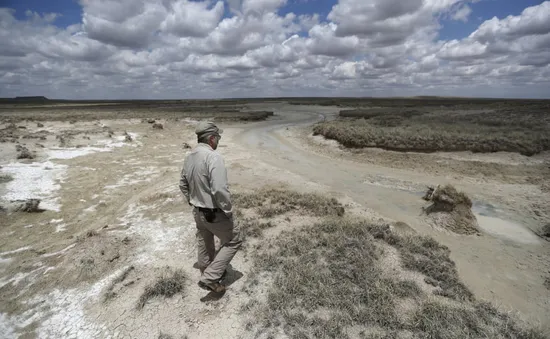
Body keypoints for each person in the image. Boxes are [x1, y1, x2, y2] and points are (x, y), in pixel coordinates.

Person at [179, 121, 241, 294]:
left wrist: (193, 202)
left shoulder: (189, 156)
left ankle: (206, 272)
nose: (218, 140)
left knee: (204, 242)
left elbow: (182, 184)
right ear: (212, 138)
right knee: (234, 239)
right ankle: (210, 278)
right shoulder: (213, 156)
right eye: (218, 137)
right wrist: (227, 210)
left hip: (198, 212)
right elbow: (220, 189)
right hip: (214, 212)